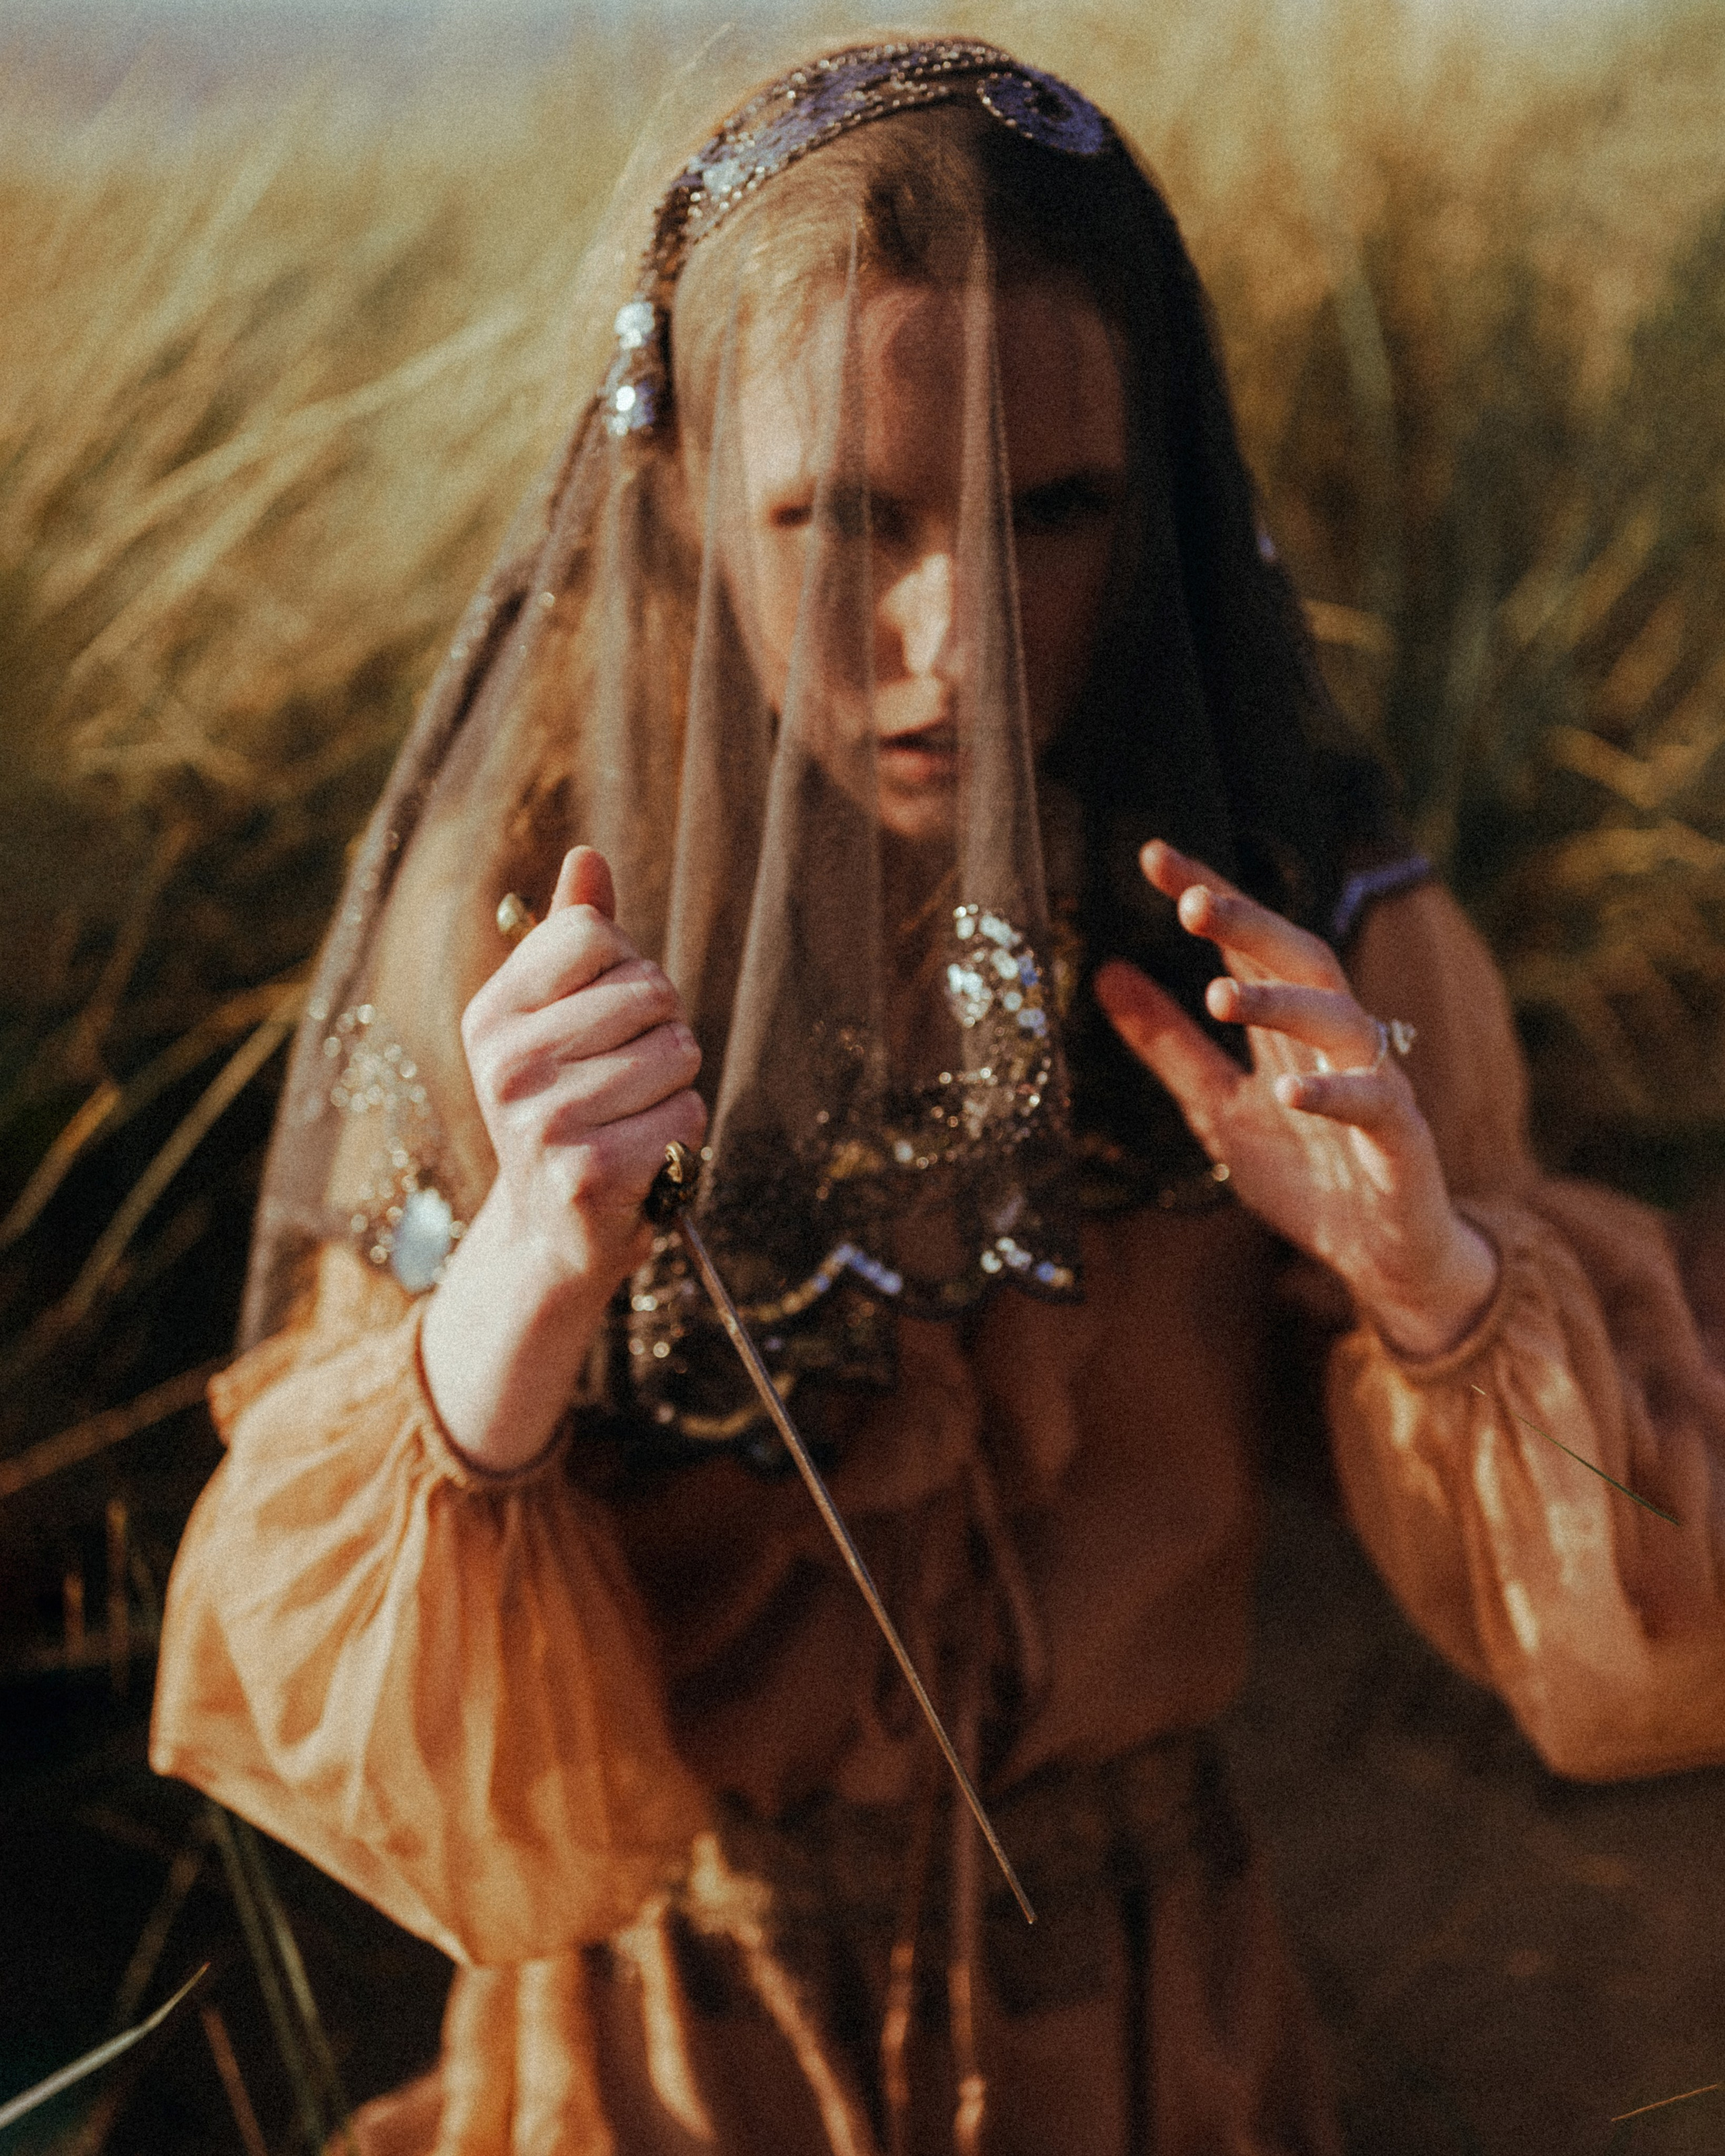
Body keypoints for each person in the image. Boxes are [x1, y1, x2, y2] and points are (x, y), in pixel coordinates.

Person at [150, 38, 1725, 2156]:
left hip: (1158, 2048)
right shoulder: (527, 948)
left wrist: (1434, 1284)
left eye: (1055, 513)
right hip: (673, 2077)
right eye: (844, 517)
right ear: (689, 485)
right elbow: (350, 1730)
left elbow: (1629, 1641)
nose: (955, 640)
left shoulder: (1285, 934)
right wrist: (521, 1279)